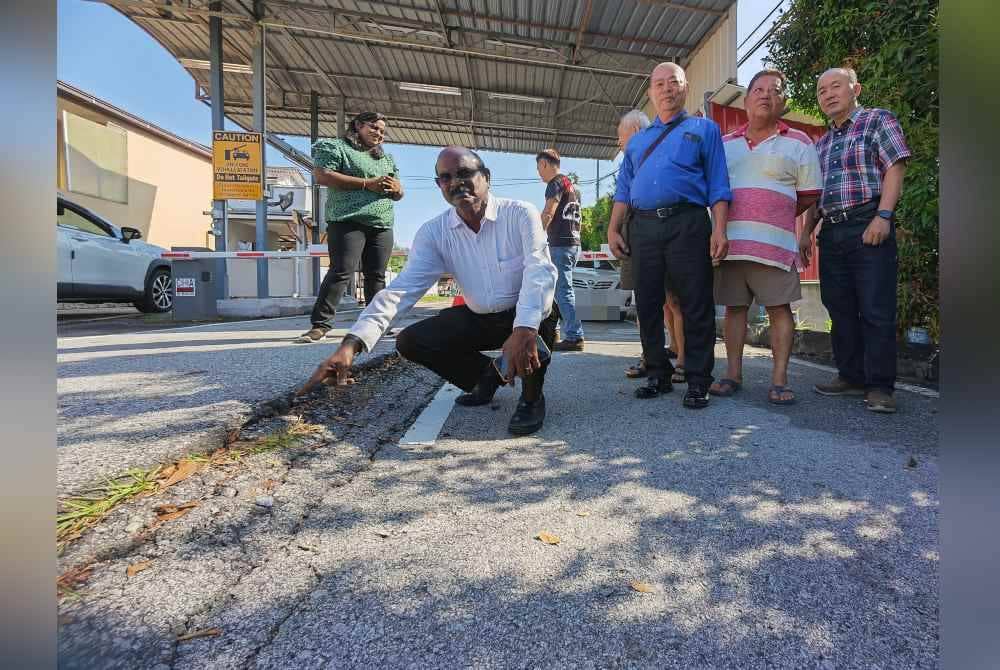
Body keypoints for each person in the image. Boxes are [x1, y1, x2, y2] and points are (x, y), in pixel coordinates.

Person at [300, 147, 558, 436]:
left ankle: (532, 398)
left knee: (543, 312)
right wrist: (350, 345)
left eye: (464, 173)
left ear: (486, 177)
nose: (456, 182)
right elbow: (401, 291)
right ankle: (486, 378)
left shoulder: (520, 213)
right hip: (481, 318)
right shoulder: (434, 233)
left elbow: (540, 270)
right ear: (439, 186)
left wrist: (524, 329)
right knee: (411, 341)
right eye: (446, 178)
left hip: (523, 315)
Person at [608, 62, 731, 408]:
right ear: (650, 93)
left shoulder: (704, 130)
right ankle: (658, 375)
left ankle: (696, 379)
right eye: (659, 84)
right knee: (648, 304)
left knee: (696, 303)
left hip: (688, 223)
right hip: (643, 227)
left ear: (685, 87)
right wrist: (613, 227)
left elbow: (719, 184)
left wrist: (719, 228)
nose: (666, 89)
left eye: (673, 82)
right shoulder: (637, 142)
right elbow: (624, 189)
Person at [798, 67, 910, 413]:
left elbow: (895, 166)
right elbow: (816, 195)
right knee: (839, 306)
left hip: (868, 221)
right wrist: (805, 232)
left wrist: (884, 216)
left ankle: (880, 387)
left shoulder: (877, 120)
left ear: (855, 88)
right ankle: (850, 376)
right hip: (832, 230)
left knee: (876, 308)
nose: (828, 94)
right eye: (821, 90)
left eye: (836, 86)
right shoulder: (821, 143)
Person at [710, 70, 822, 404]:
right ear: (745, 101)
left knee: (779, 310)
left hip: (775, 247)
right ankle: (732, 374)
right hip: (732, 244)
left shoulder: (800, 142)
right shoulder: (725, 145)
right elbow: (714, 192)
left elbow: (808, 196)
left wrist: (773, 211)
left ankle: (780, 380)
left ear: (783, 101)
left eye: (774, 91)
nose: (765, 95)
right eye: (757, 89)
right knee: (734, 309)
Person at [295, 111, 404, 343]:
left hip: (382, 223)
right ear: (357, 126)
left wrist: (397, 189)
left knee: (376, 276)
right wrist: (367, 184)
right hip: (347, 220)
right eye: (374, 127)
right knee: (341, 271)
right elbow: (322, 175)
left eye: (382, 131)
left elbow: (398, 193)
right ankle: (320, 325)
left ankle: (377, 325)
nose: (379, 133)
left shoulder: (385, 158)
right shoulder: (336, 147)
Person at [616, 111, 686, 382]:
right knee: (651, 302)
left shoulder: (661, 155)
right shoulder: (630, 162)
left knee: (673, 300)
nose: (619, 144)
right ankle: (655, 356)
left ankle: (682, 361)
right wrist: (614, 230)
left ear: (634, 131)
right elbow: (623, 197)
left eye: (620, 137)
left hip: (662, 231)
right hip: (635, 232)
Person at [535, 149, 585, 351]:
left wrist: (534, 236)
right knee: (554, 290)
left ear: (545, 164)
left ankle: (575, 336)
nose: (539, 172)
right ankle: (552, 331)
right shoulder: (572, 186)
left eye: (539, 167)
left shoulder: (555, 183)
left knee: (563, 291)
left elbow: (548, 212)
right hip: (573, 244)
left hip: (561, 245)